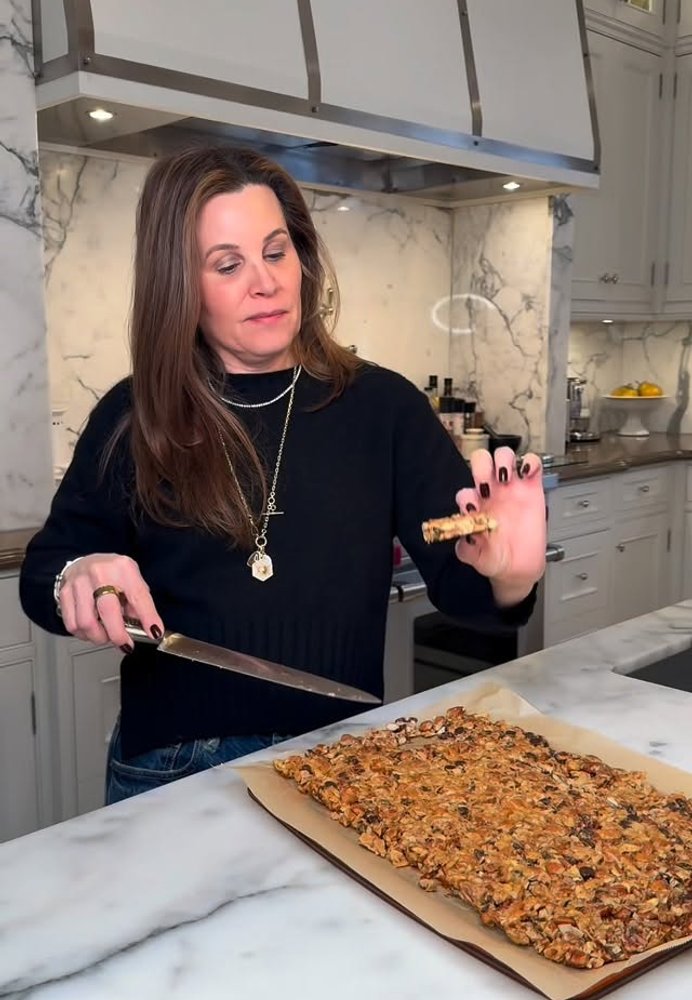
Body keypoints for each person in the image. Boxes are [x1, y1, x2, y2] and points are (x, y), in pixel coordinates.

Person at [20, 145, 546, 804]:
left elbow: (463, 585)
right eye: (227, 264)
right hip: (173, 768)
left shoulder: (385, 408)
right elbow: (45, 571)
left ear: (302, 257)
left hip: (342, 762)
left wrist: (510, 574)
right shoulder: (134, 416)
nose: (264, 283)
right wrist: (78, 576)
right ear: (179, 282)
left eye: (275, 252)